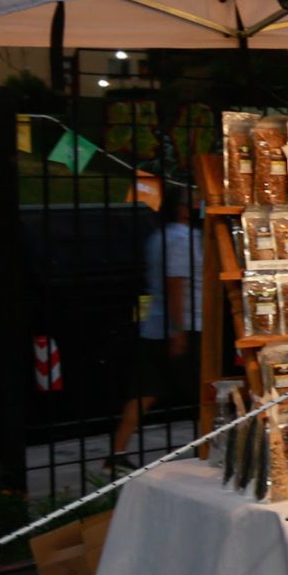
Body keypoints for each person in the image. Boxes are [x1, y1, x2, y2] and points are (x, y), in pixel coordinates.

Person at [110, 186, 199, 470]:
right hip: (184, 324)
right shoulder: (180, 239)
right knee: (206, 391)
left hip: (159, 326)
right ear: (182, 208)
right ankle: (214, 447)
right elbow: (175, 285)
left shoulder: (159, 237)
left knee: (144, 390)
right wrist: (178, 330)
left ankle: (117, 452)